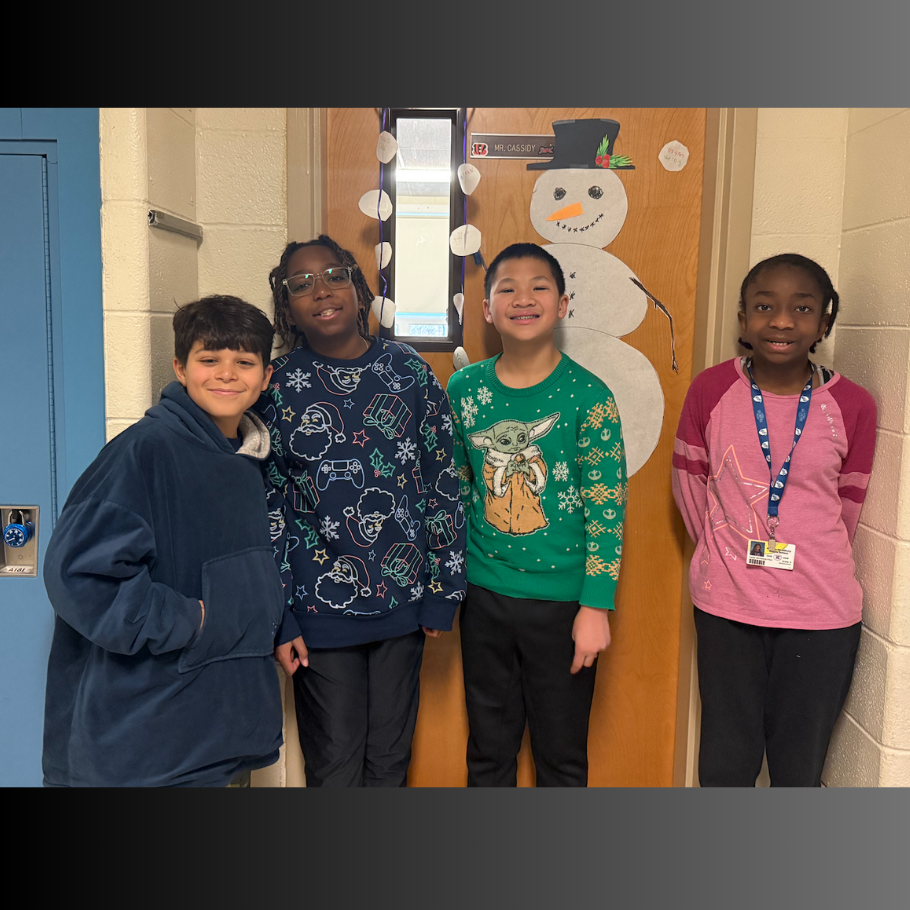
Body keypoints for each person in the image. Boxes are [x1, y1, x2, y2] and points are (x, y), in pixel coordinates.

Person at [42, 296, 285, 787]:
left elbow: (237, 574)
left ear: (266, 378)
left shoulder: (245, 456)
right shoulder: (144, 451)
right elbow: (80, 575)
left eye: (244, 362)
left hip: (213, 730)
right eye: (209, 360)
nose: (226, 374)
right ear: (180, 367)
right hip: (148, 741)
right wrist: (190, 620)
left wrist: (274, 621)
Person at [261, 234, 464, 787]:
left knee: (390, 761)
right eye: (300, 285)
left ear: (357, 285)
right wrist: (281, 614)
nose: (320, 291)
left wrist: (444, 591)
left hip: (403, 603)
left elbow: (443, 480)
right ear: (288, 308)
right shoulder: (274, 387)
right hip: (317, 614)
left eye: (332, 275)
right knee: (335, 765)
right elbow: (268, 506)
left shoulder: (409, 371)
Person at [672, 253, 877, 787]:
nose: (782, 321)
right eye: (765, 306)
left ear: (824, 322)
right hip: (727, 606)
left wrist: (801, 552)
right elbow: (690, 486)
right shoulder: (711, 390)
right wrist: (726, 550)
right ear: (743, 318)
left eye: (802, 309)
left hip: (821, 612)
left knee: (798, 770)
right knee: (725, 764)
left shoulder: (853, 405)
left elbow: (847, 507)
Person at [447, 242, 627, 787]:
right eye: (507, 288)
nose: (523, 299)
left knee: (561, 757)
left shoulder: (589, 397)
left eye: (539, 288)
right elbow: (456, 489)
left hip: (563, 605)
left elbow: (607, 507)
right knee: (488, 752)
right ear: (486, 309)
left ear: (563, 304)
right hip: (484, 596)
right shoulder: (464, 389)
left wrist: (595, 607)